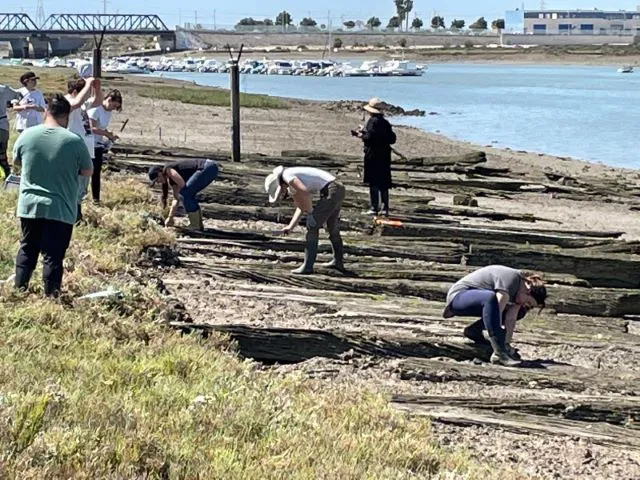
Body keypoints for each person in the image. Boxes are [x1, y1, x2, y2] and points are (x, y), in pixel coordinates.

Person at [12, 93, 93, 297]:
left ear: (46, 112)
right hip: (61, 207)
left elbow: (17, 162)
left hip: (30, 205)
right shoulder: (74, 141)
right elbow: (87, 171)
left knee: (27, 247)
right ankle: (51, 296)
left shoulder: (27, 135)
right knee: (53, 255)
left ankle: (19, 290)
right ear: (67, 116)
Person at [442, 265, 547, 367]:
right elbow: (498, 310)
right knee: (491, 298)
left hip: (479, 301)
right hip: (458, 297)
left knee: (520, 312)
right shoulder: (512, 279)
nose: (525, 305)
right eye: (528, 302)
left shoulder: (519, 293)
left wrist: (507, 344)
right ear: (528, 290)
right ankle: (499, 354)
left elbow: (511, 319)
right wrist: (500, 346)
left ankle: (474, 331)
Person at [264, 166, 346, 275]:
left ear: (280, 185)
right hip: (338, 188)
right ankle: (338, 261)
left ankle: (308, 266)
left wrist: (311, 213)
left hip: (332, 190)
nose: (282, 194)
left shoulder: (288, 176)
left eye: (280, 192)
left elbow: (305, 192)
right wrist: (290, 227)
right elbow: (301, 207)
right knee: (332, 226)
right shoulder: (292, 180)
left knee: (312, 226)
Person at [65, 76, 102, 222]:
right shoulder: (67, 101)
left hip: (85, 149)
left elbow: (97, 102)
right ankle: (74, 214)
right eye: (84, 93)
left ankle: (77, 212)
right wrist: (87, 85)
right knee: (76, 182)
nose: (87, 96)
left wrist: (97, 88)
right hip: (74, 149)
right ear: (76, 91)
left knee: (82, 184)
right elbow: (76, 103)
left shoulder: (81, 105)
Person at [148, 159, 219, 230]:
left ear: (159, 174)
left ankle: (195, 225)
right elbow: (176, 199)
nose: (158, 182)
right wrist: (170, 218)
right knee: (186, 194)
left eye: (157, 180)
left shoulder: (168, 169)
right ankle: (198, 225)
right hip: (210, 167)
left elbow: (183, 187)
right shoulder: (172, 180)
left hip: (207, 167)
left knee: (185, 194)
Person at [353, 97, 396, 217]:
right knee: (384, 182)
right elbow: (392, 139)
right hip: (385, 154)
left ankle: (374, 207)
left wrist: (360, 135)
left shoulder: (372, 122)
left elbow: (369, 138)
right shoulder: (385, 123)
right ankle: (385, 208)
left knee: (373, 181)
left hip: (373, 154)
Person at [87, 89, 122, 203]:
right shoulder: (96, 109)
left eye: (116, 107)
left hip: (98, 143)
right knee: (86, 170)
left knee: (96, 171)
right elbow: (92, 128)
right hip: (88, 142)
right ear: (108, 99)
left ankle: (96, 198)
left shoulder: (108, 112)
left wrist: (109, 135)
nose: (113, 109)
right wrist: (106, 134)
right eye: (113, 105)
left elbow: (102, 127)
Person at [0, 83, 22, 178]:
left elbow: (18, 95)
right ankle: (7, 173)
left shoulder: (3, 89)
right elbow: (18, 95)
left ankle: (7, 173)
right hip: (2, 125)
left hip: (1, 125)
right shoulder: (4, 89)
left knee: (2, 153)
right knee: (2, 153)